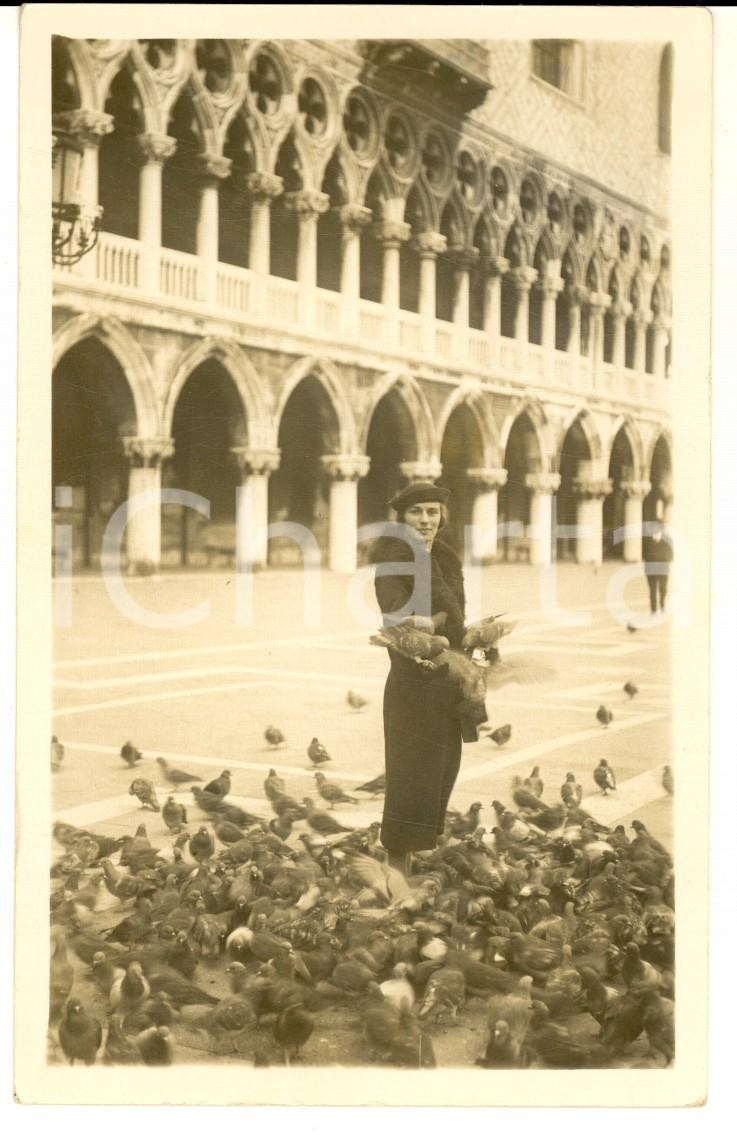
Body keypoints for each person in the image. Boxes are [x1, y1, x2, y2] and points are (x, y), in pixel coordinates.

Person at [369, 482, 487, 875]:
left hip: (448, 681)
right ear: (402, 518)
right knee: (410, 773)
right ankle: (396, 863)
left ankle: (417, 849)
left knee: (442, 768)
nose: (425, 520)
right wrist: (424, 629)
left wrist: (472, 640)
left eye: (432, 512)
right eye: (416, 512)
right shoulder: (394, 558)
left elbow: (455, 618)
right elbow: (393, 614)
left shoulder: (446, 557)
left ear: (442, 516)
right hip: (413, 681)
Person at [643, 518, 673, 615]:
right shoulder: (647, 540)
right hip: (650, 569)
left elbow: (671, 555)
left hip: (663, 569)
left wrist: (662, 560)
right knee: (652, 590)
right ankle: (653, 610)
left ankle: (663, 606)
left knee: (663, 588)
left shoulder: (667, 540)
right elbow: (644, 554)